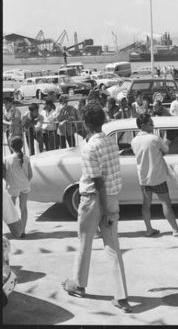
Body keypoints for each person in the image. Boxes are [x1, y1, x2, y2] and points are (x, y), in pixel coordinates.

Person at [61, 102, 132, 313]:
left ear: (85, 123)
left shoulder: (89, 147)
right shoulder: (110, 142)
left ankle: (78, 284)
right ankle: (121, 297)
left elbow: (97, 180)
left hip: (94, 199)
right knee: (112, 246)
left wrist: (105, 209)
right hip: (111, 197)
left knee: (85, 241)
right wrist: (110, 208)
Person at [131, 114, 178, 237]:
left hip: (143, 178)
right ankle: (176, 229)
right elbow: (166, 150)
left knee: (146, 205)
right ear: (144, 125)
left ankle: (148, 229)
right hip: (157, 176)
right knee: (165, 203)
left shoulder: (134, 141)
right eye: (151, 123)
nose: (153, 125)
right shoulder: (154, 138)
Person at [4, 136, 33, 238]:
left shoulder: (6, 159)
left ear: (11, 146)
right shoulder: (26, 158)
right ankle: (22, 231)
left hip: (12, 187)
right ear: (22, 145)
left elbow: (4, 174)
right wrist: (24, 182)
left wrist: (9, 182)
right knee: (23, 208)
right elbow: (30, 175)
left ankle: (15, 229)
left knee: (11, 209)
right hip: (25, 186)